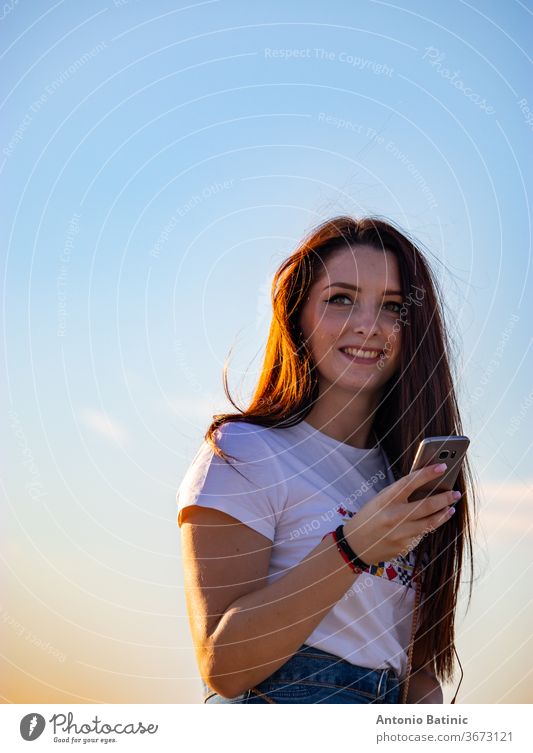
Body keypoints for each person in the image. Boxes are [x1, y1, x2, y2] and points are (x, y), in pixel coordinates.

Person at [176, 215, 476, 704]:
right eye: (341, 299)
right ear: (298, 316)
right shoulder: (243, 451)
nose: (368, 325)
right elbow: (224, 664)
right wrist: (353, 547)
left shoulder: (407, 475)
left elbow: (417, 671)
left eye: (394, 307)